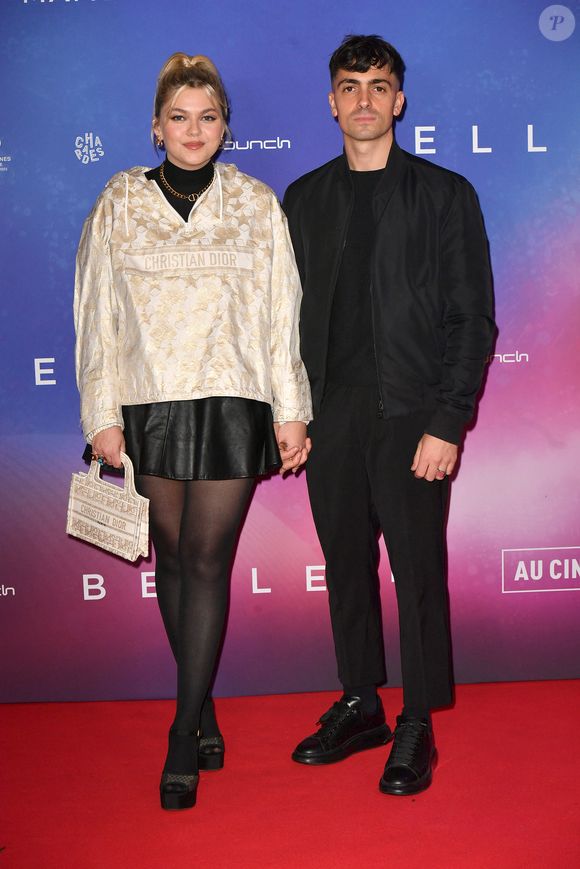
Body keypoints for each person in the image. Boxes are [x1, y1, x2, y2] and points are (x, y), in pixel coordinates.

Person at [74, 52, 312, 811]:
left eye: (208, 117)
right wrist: (101, 414)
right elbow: (96, 315)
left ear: (225, 127)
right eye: (179, 116)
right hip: (149, 402)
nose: (194, 129)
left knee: (206, 560)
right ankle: (201, 702)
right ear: (156, 127)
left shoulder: (254, 202)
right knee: (171, 561)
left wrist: (291, 406)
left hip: (234, 399)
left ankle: (182, 731)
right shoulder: (118, 201)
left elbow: (282, 313)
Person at [283, 34, 495, 795]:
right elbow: (284, 320)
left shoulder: (445, 195)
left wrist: (448, 420)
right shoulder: (303, 200)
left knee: (417, 572)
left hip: (412, 415)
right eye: (350, 86)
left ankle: (417, 720)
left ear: (399, 100)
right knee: (345, 564)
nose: (365, 99)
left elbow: (473, 320)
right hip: (329, 413)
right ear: (332, 100)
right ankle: (362, 700)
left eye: (379, 86)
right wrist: (293, 412)